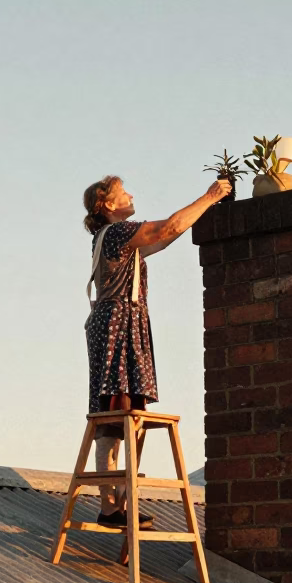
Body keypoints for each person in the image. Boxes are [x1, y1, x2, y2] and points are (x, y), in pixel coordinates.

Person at [82, 174, 232, 528]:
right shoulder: (117, 232)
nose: (131, 195)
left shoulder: (115, 239)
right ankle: (110, 506)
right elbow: (168, 228)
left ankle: (115, 504)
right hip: (119, 325)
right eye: (123, 192)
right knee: (116, 414)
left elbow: (168, 235)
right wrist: (210, 197)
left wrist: (202, 208)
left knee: (119, 414)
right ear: (108, 204)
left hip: (120, 324)